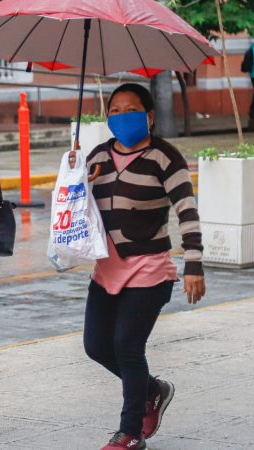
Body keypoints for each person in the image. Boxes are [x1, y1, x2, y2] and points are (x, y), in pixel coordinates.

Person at [83, 83, 206, 450]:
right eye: (115, 110)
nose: (122, 116)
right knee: (96, 346)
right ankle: (153, 390)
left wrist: (194, 264)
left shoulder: (165, 157)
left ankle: (130, 432)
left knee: (127, 347)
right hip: (106, 269)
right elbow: (75, 207)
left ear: (149, 116)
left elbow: (187, 211)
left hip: (149, 268)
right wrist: (75, 178)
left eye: (131, 110)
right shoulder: (96, 157)